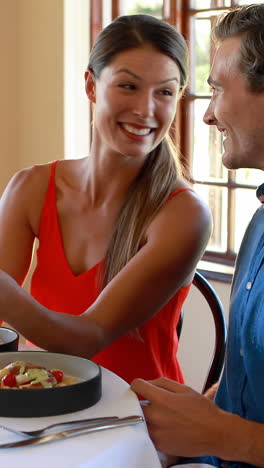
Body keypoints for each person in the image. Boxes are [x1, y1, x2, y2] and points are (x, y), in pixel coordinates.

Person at [0, 15, 211, 386]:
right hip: (39, 401)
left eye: (164, 92)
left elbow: (87, 338)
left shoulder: (184, 214)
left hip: (141, 424)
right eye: (128, 86)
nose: (146, 109)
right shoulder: (31, 188)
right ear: (91, 85)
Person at [131, 3, 264, 467]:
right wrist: (197, 414)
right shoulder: (260, 221)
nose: (206, 116)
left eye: (218, 89)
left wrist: (221, 434)